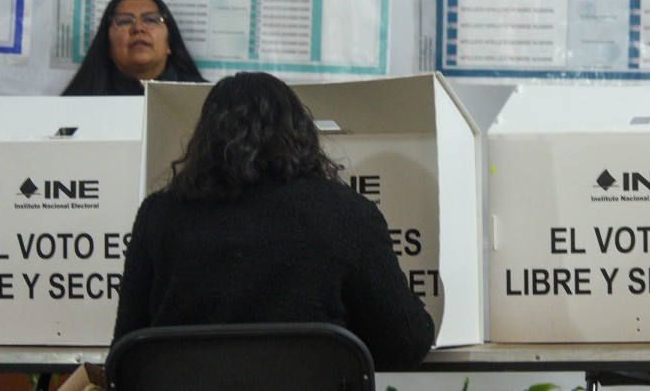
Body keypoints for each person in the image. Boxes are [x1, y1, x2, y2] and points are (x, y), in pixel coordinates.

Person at [109, 71, 436, 369]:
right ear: (300, 132)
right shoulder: (348, 215)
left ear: (204, 139)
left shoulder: (159, 215)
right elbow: (405, 345)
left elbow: (126, 351)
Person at [61, 0, 206, 95]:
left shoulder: (203, 98)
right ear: (107, 44)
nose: (138, 28)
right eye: (124, 21)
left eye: (151, 20)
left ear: (169, 43)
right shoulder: (77, 102)